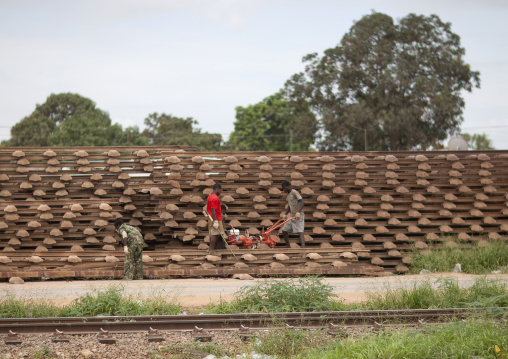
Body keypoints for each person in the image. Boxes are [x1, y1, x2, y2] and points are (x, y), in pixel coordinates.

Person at [281, 180, 306, 247]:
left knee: (300, 232)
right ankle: (288, 247)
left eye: (284, 188)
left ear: (288, 186)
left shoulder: (294, 192)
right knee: (284, 230)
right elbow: (290, 206)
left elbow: (302, 201)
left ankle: (303, 250)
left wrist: (298, 212)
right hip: (292, 215)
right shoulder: (288, 196)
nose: (284, 190)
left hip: (299, 215)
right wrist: (285, 214)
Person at [207, 183, 225, 252]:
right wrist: (215, 221)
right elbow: (213, 209)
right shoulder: (215, 198)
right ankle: (211, 249)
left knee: (214, 234)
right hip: (215, 218)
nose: (220, 192)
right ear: (217, 189)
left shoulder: (209, 196)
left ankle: (210, 248)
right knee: (215, 234)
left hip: (211, 218)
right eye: (220, 190)